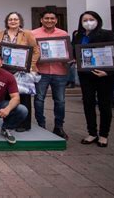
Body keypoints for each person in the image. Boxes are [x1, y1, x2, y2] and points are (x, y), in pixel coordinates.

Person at [72, 11, 114, 147]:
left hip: (104, 75)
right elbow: (75, 52)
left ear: (97, 20)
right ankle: (92, 132)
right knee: (88, 103)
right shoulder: (78, 35)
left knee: (104, 105)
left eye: (91, 19)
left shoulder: (107, 34)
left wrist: (108, 72)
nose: (88, 22)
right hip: (86, 76)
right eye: (85, 20)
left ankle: (103, 135)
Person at [0, 11, 39, 132]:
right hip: (4, 70)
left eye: (15, 19)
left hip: (22, 71)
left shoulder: (27, 34)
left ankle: (24, 124)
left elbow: (35, 50)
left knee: (23, 97)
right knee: (8, 97)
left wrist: (31, 65)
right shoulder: (0, 33)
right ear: (7, 22)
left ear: (20, 21)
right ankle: (10, 122)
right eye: (10, 19)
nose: (13, 21)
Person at [31, 10, 69, 139]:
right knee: (39, 99)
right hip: (41, 72)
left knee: (60, 101)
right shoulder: (33, 34)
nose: (49, 20)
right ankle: (41, 126)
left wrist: (69, 57)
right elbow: (30, 52)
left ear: (56, 20)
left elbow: (69, 52)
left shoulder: (63, 34)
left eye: (52, 18)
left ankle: (59, 127)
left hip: (60, 72)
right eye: (46, 18)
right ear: (41, 20)